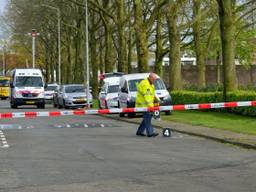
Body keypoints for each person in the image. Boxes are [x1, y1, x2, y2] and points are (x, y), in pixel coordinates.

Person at [135, 73, 160, 137]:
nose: (155, 81)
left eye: (156, 79)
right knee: (148, 118)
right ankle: (150, 133)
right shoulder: (146, 85)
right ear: (150, 78)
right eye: (154, 79)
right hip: (144, 105)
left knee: (146, 118)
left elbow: (152, 94)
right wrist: (152, 108)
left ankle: (139, 131)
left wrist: (156, 99)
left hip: (146, 105)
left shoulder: (150, 84)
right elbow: (147, 97)